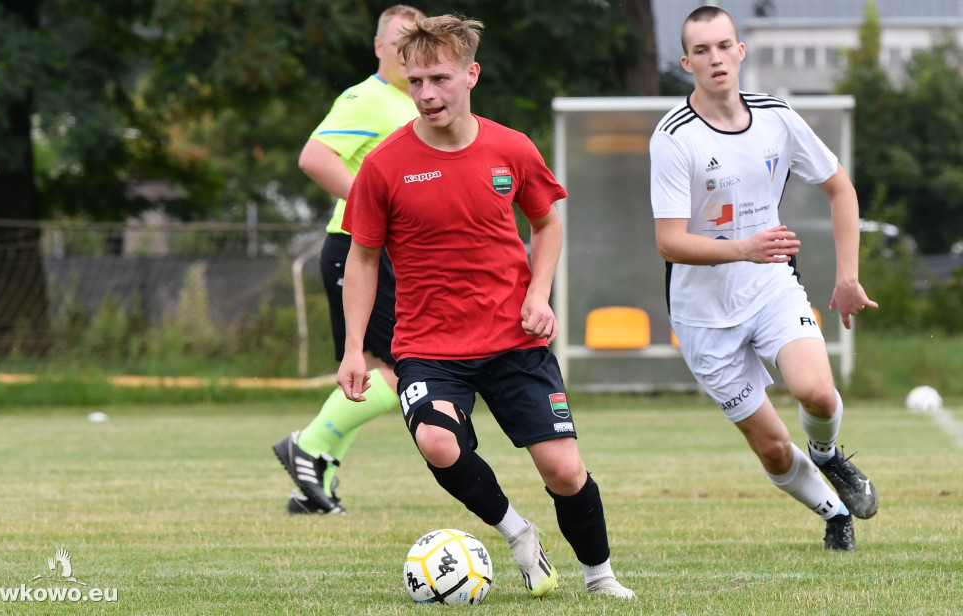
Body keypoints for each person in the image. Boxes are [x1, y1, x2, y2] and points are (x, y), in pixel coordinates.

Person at [337, 14, 636, 599]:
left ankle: (600, 577)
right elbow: (363, 259)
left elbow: (547, 225)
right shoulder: (384, 165)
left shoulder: (511, 148)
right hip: (429, 347)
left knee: (565, 472)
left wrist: (538, 293)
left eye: (439, 79)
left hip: (514, 340)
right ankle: (517, 533)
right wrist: (353, 348)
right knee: (437, 441)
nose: (426, 94)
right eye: (415, 81)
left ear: (471, 75)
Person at [649, 6, 880, 551]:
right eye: (701, 50)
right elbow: (669, 241)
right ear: (687, 62)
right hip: (703, 315)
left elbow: (840, 188)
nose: (715, 58)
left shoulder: (776, 115)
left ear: (740, 51)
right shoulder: (673, 137)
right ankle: (834, 513)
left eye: (723, 46)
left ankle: (828, 456)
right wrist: (743, 248)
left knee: (818, 394)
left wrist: (847, 276)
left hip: (771, 287)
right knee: (773, 448)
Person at [273, 4, 426, 515]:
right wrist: (374, 209)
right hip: (355, 249)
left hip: (380, 252)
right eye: (398, 41)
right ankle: (309, 447)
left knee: (370, 372)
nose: (406, 51)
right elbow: (314, 156)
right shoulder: (366, 98)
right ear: (379, 48)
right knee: (398, 370)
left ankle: (314, 487)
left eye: (416, 41)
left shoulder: (415, 101)